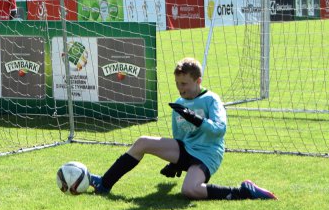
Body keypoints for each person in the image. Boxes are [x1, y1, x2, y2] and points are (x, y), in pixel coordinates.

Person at [90, 57, 276, 200]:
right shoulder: (179, 103)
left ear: (198, 81)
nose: (180, 88)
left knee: (189, 190)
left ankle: (242, 192)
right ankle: (104, 184)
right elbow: (179, 136)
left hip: (207, 153)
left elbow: (220, 129)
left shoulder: (211, 99)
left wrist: (196, 119)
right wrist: (176, 163)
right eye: (178, 84)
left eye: (184, 84)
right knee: (142, 142)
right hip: (186, 149)